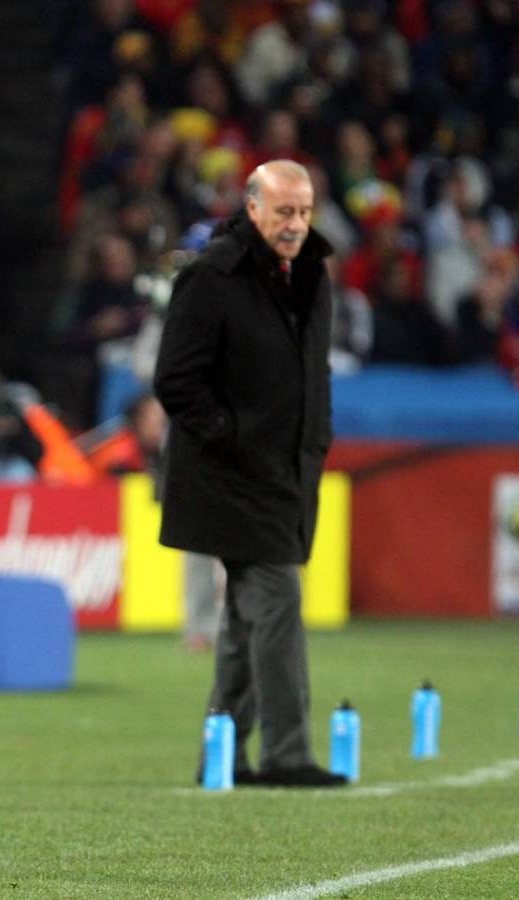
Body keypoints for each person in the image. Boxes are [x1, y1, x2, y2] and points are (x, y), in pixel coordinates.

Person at [154, 159, 345, 788]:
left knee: (243, 618)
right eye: (284, 211)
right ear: (253, 208)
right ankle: (287, 754)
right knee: (279, 600)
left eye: (305, 211)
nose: (296, 224)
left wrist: (314, 440)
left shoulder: (312, 273)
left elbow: (312, 375)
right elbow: (175, 379)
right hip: (232, 475)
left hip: (289, 468)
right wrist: (229, 436)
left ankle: (222, 756)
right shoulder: (212, 275)